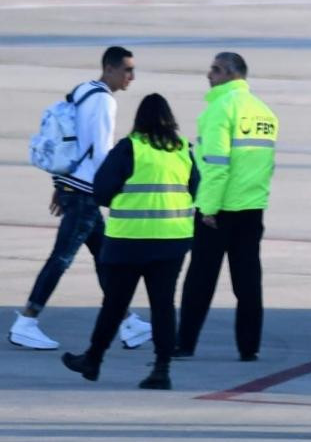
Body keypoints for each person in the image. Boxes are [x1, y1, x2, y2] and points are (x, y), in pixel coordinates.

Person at [9, 46, 152, 350]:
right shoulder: (103, 101)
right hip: (86, 194)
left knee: (104, 259)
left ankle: (128, 323)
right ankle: (27, 320)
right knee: (62, 258)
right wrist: (112, 193)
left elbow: (73, 145)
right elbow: (100, 152)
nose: (132, 77)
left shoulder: (83, 90)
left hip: (75, 187)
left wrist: (62, 184)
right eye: (127, 70)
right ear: (110, 69)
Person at [61, 93, 197, 389]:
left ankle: (93, 359)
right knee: (163, 305)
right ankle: (162, 369)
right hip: (172, 240)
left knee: (114, 303)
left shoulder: (129, 148)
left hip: (129, 242)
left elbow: (101, 191)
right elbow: (196, 188)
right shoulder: (184, 150)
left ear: (140, 119)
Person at [174, 52, 278, 361]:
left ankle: (185, 344)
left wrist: (208, 208)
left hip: (219, 211)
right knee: (247, 283)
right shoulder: (265, 112)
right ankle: (249, 348)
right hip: (252, 208)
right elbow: (266, 166)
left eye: (216, 70)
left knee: (199, 281)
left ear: (232, 75)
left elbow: (217, 166)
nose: (209, 74)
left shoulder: (220, 109)